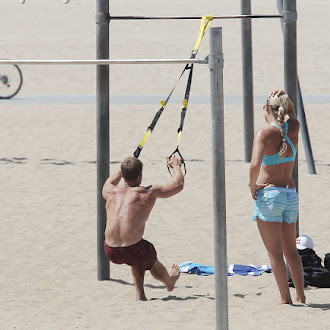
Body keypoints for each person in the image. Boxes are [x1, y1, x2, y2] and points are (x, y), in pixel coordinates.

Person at [249, 90, 305, 305]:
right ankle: (301, 296)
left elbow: (255, 165)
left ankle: (285, 299)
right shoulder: (294, 128)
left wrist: (252, 186)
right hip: (290, 193)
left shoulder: (265, 133)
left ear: (266, 109)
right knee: (292, 251)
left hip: (270, 194)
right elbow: (292, 114)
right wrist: (287, 102)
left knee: (275, 252)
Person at [102, 155, 184, 301]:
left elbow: (109, 181)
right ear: (140, 176)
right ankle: (169, 281)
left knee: (137, 248)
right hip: (134, 250)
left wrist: (123, 169)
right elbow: (178, 185)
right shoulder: (148, 193)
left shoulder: (109, 191)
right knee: (144, 251)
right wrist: (176, 166)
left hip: (110, 251)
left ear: (122, 175)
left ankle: (140, 295)